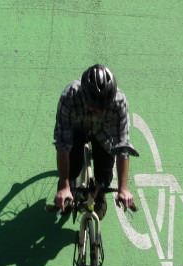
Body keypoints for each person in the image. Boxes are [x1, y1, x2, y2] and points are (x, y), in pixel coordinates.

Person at [53, 64, 138, 218]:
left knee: (105, 176)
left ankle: (99, 188)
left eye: (103, 107)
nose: (98, 111)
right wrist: (64, 185)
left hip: (103, 132)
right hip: (76, 129)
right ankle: (68, 184)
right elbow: (62, 145)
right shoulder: (69, 97)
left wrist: (123, 188)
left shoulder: (119, 102)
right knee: (72, 168)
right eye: (94, 106)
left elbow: (122, 146)